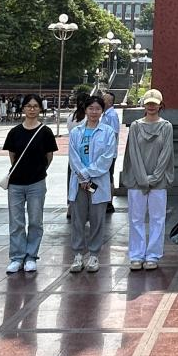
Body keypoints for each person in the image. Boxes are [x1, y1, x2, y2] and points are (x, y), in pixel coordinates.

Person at [3, 94, 58, 274]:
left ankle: (31, 256)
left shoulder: (45, 132)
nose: (32, 109)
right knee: (16, 222)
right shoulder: (14, 132)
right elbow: (13, 156)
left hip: (36, 183)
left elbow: (49, 156)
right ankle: (17, 257)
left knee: (35, 221)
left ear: (40, 108)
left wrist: (39, 170)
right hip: (16, 184)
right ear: (23, 108)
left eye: (35, 106)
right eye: (28, 106)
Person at [120, 89, 175, 271]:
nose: (151, 106)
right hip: (137, 181)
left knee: (157, 219)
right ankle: (136, 255)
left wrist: (155, 177)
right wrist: (143, 179)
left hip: (158, 182)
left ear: (160, 105)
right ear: (144, 105)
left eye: (154, 103)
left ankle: (153, 255)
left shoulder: (166, 127)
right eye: (148, 103)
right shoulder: (136, 126)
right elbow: (133, 154)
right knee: (136, 218)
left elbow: (166, 154)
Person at [66, 94, 116, 274]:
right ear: (85, 110)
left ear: (102, 111)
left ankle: (94, 255)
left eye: (98, 109)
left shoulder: (107, 132)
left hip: (97, 182)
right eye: (91, 108)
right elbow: (73, 157)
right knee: (77, 219)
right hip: (79, 183)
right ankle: (78, 255)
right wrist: (82, 177)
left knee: (97, 219)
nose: (94, 112)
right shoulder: (76, 132)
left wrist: (87, 174)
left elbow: (107, 158)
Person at [101, 90, 121, 213]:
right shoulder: (105, 115)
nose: (102, 101)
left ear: (110, 102)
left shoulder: (112, 115)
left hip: (109, 153)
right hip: (104, 153)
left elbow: (114, 133)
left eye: (104, 99)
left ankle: (109, 202)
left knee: (108, 176)